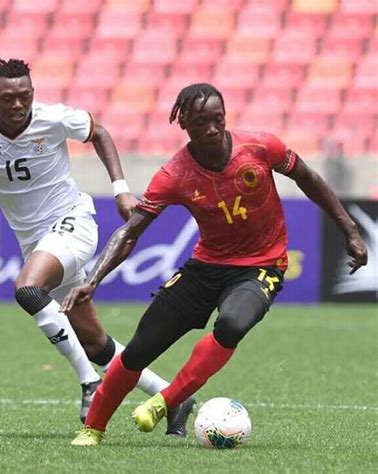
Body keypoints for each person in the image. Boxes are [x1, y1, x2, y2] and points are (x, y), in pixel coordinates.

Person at [63, 83, 369, 446]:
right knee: (142, 345)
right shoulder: (174, 174)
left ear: (225, 117)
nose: (210, 129)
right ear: (184, 125)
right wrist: (93, 281)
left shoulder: (259, 147)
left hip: (261, 266)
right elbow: (130, 232)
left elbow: (308, 178)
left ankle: (166, 401)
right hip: (205, 266)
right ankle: (93, 428)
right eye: (200, 123)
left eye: (217, 120)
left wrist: (349, 229)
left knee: (232, 322)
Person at [0, 58, 194, 434]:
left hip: (72, 223)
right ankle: (173, 396)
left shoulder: (53, 118)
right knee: (95, 343)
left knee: (28, 288)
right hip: (35, 241)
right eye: (8, 98)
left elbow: (100, 133)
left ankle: (89, 382)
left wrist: (121, 191)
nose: (18, 104)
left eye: (24, 95)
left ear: (33, 94)